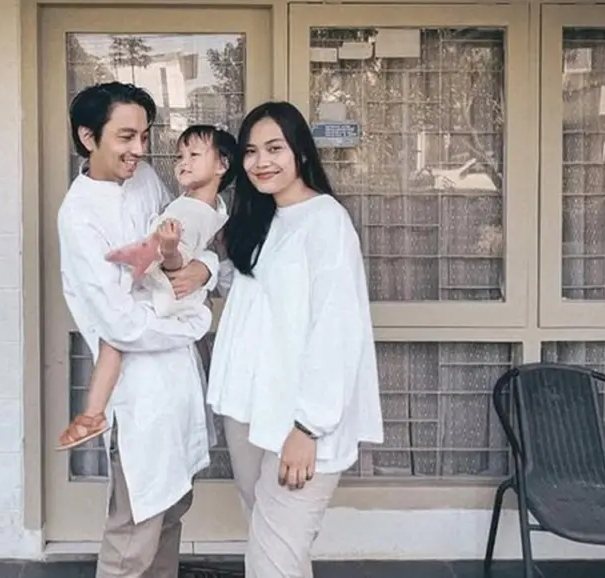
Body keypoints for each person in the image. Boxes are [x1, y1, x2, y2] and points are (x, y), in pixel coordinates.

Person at [206, 101, 384, 578]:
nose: (260, 161)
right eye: (250, 151)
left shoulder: (326, 221)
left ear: (300, 152)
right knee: (278, 553)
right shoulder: (262, 218)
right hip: (249, 410)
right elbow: (251, 297)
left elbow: (336, 328)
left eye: (274, 148)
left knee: (271, 564)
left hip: (301, 423)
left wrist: (308, 428)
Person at [56, 81, 220, 578]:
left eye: (145, 136)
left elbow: (185, 243)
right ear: (88, 137)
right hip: (138, 392)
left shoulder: (145, 179)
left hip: (178, 381)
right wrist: (194, 320)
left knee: (171, 513)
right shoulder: (79, 215)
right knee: (134, 531)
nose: (139, 149)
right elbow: (122, 323)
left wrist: (206, 269)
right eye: (126, 137)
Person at [57, 124, 238, 451]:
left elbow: (179, 258)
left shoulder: (189, 207)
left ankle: (92, 414)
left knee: (113, 345)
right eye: (179, 156)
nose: (183, 162)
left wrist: (171, 254)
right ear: (89, 137)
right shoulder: (79, 211)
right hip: (151, 320)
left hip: (161, 301)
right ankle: (94, 415)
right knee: (114, 342)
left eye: (194, 155)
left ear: (222, 165)